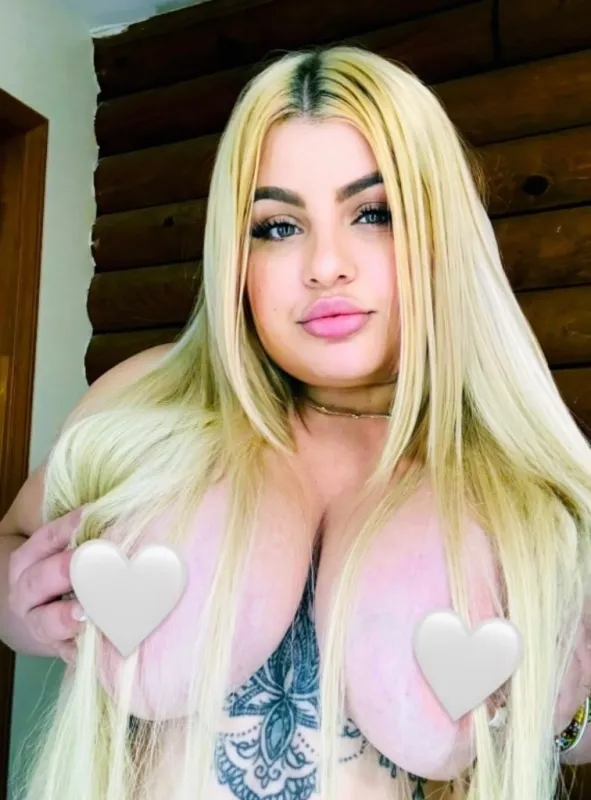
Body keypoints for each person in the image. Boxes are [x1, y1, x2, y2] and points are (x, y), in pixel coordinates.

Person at [1, 44, 591, 800]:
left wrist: (567, 713)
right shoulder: (150, 404)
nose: (325, 264)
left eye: (374, 214)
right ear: (235, 255)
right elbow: (13, 544)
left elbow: (577, 732)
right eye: (278, 226)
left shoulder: (517, 474)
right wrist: (19, 610)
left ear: (440, 235)